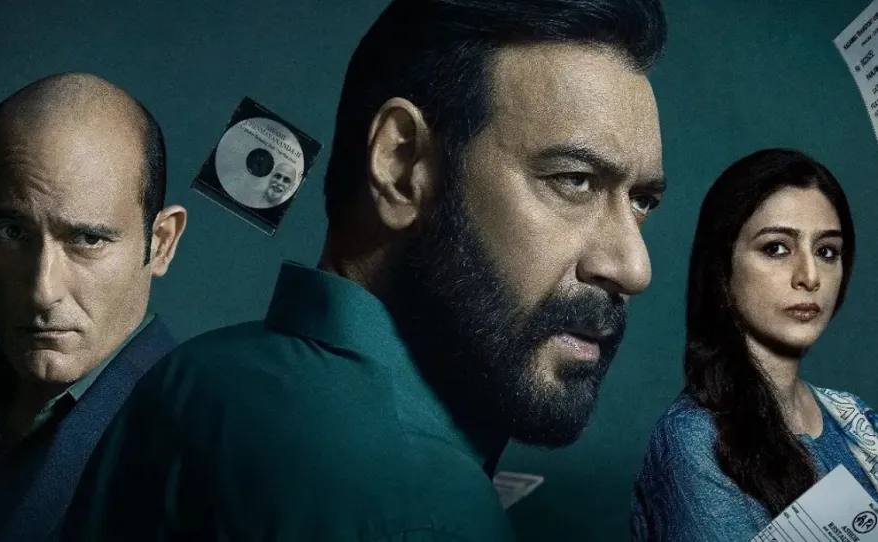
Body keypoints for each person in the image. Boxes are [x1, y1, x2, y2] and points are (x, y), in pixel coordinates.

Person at [62, 0, 668, 540]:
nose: (634, 266)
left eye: (641, 201)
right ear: (402, 166)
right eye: (573, 180)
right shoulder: (432, 513)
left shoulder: (190, 376)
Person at [0, 72, 188, 542]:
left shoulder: (195, 465)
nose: (43, 291)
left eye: (88, 239)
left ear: (161, 243)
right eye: (12, 232)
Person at [630, 149, 875, 541]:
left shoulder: (855, 419)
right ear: (722, 266)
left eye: (826, 251)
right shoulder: (695, 439)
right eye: (777, 248)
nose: (810, 276)